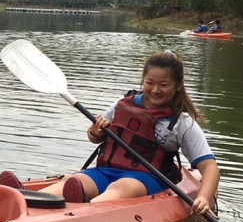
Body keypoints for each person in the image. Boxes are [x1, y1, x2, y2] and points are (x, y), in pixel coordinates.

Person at [37, 51, 220, 211]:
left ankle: (82, 211)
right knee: (72, 182)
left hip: (146, 179)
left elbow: (210, 167)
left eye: (163, 85)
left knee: (122, 188)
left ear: (178, 85)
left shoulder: (182, 122)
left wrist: (203, 197)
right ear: (143, 81)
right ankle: (24, 198)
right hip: (105, 171)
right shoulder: (123, 104)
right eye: (150, 83)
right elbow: (95, 138)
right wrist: (95, 132)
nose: (155, 90)